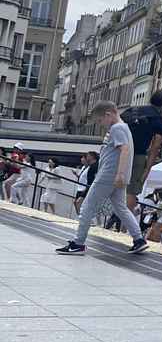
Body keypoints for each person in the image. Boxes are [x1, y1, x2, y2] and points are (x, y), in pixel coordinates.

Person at [55, 103, 148, 255]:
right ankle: (138, 239)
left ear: (108, 114)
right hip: (116, 175)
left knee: (87, 207)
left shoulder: (117, 128)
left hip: (108, 175)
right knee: (120, 208)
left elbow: (124, 149)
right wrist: (122, 174)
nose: (101, 125)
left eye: (100, 121)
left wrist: (119, 174)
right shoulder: (122, 127)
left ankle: (78, 243)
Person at [122, 92, 162, 217]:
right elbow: (155, 147)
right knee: (131, 192)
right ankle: (123, 226)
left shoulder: (134, 110)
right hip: (138, 156)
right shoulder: (159, 120)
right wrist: (148, 167)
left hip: (121, 152)